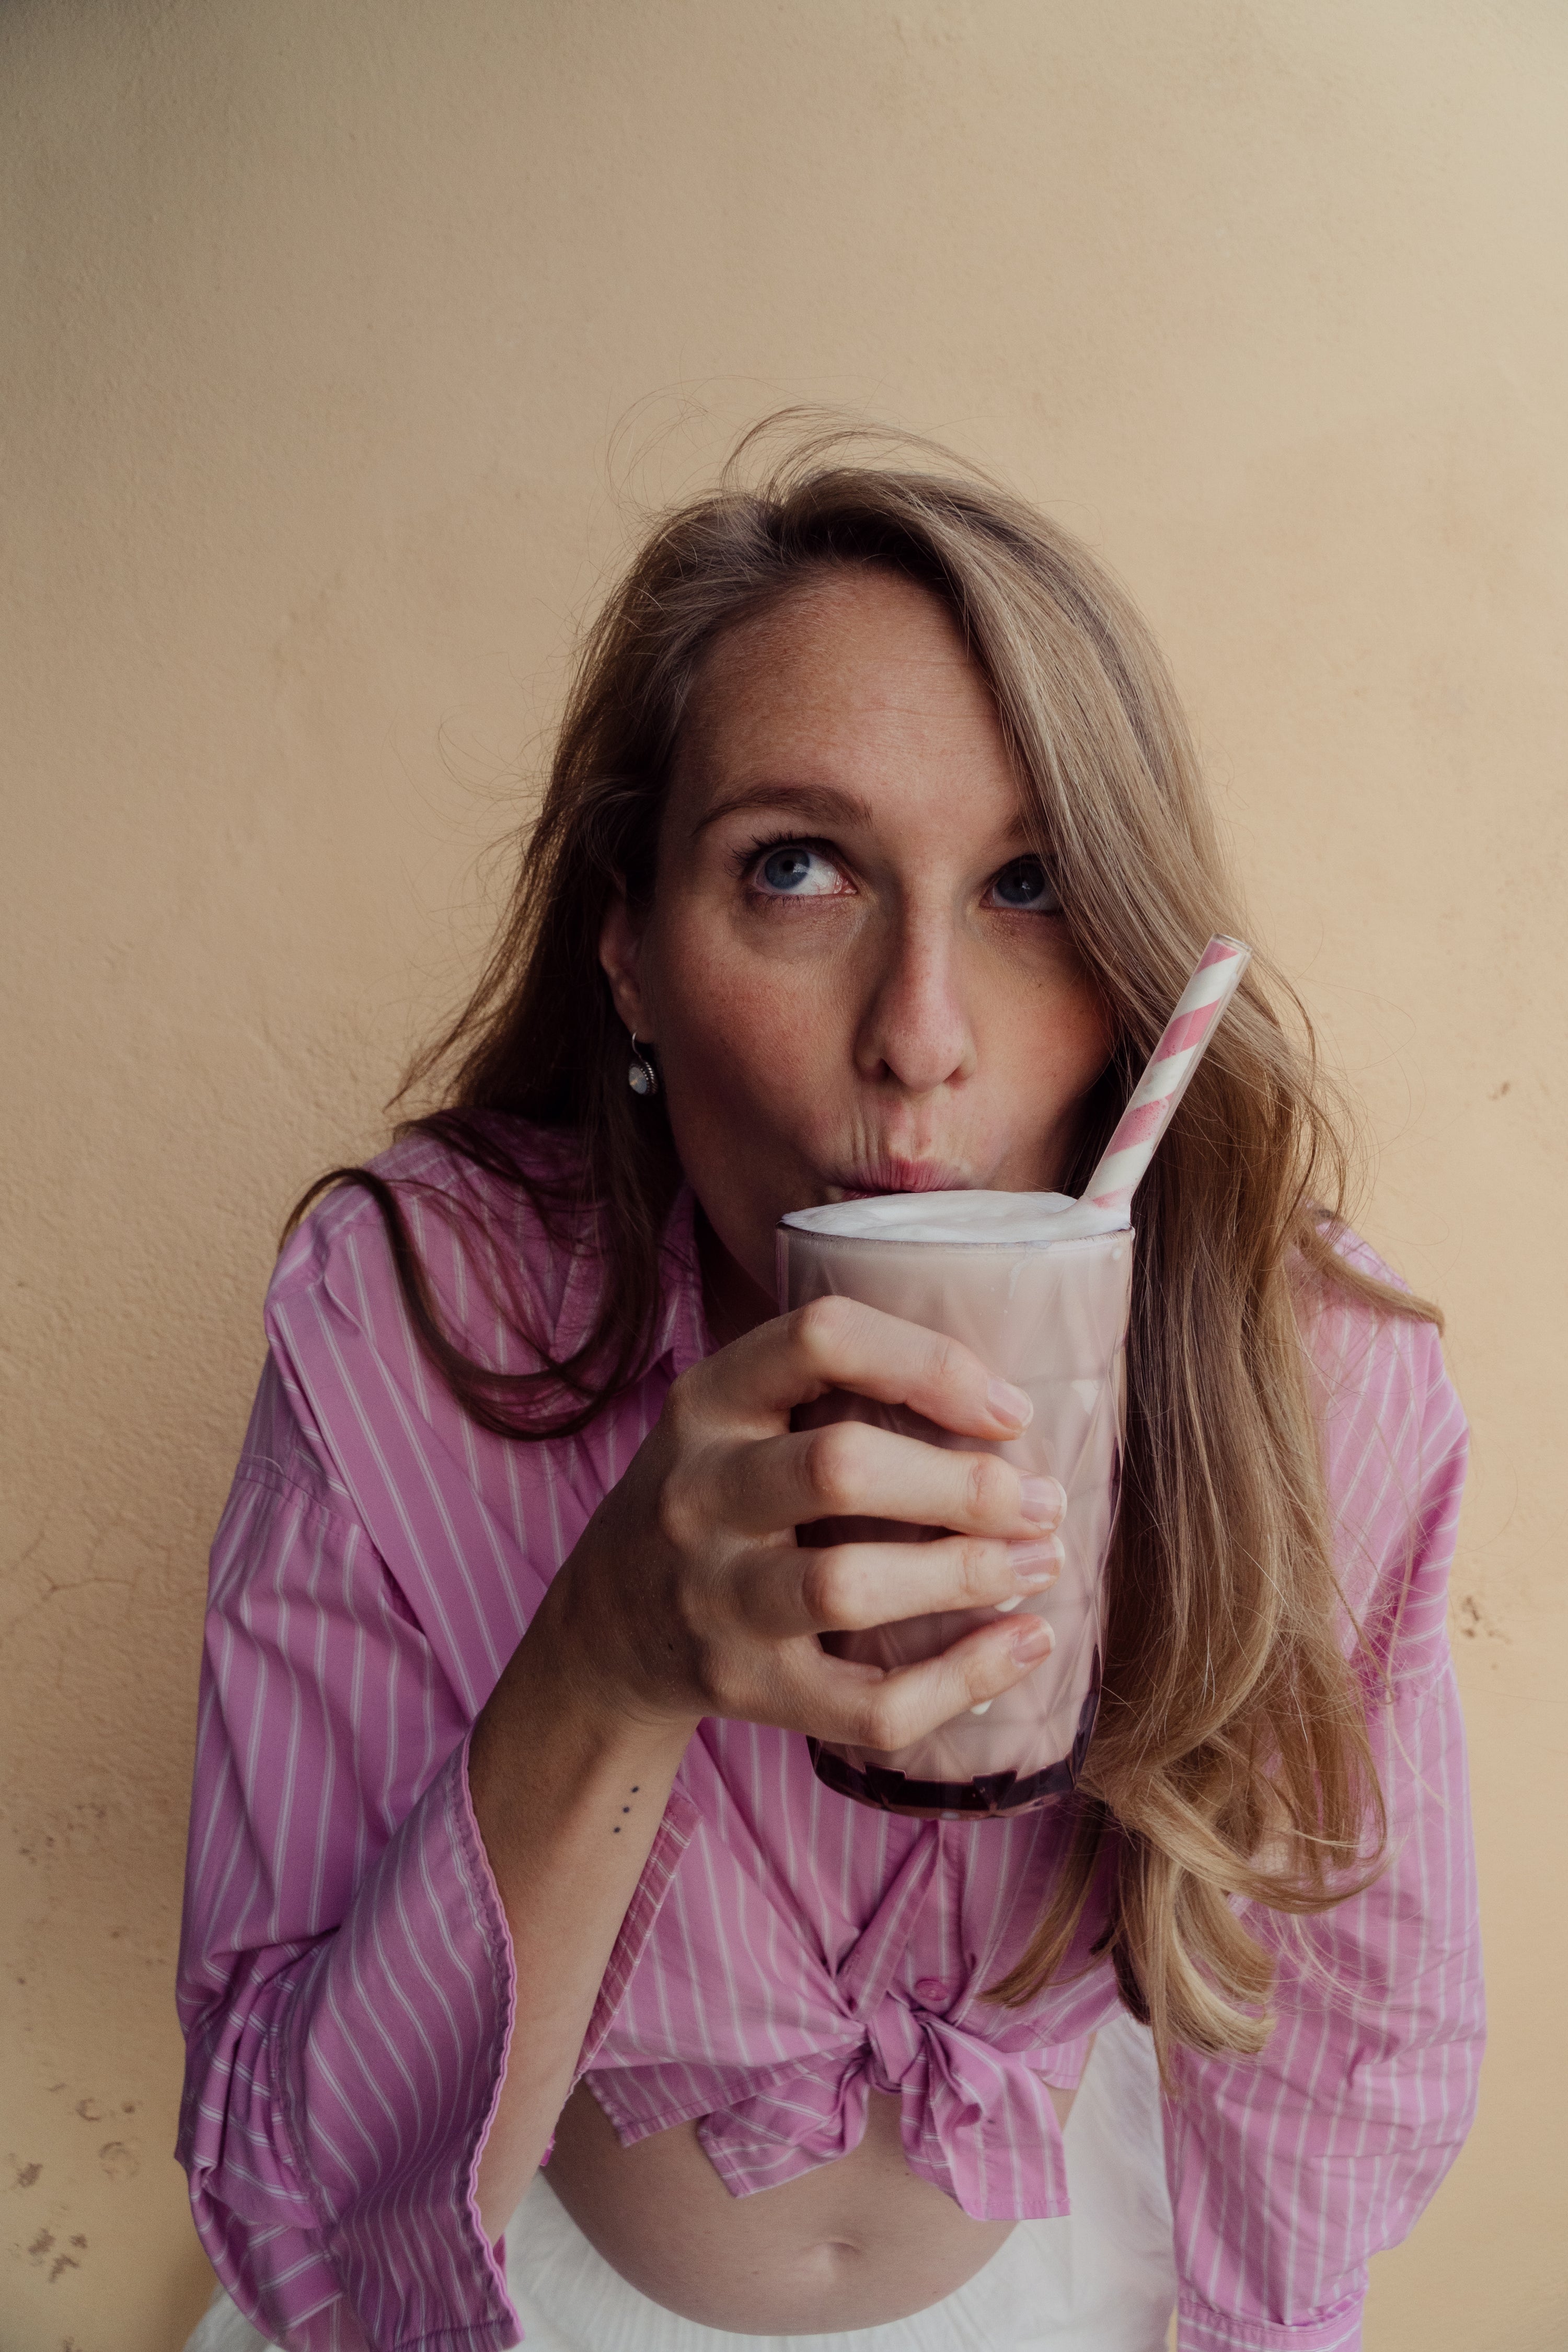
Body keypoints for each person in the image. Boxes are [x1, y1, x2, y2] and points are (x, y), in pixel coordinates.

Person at [176, 425, 1482, 2352]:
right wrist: (611, 1650)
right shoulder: (411, 1326)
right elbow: (298, 2221)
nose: (921, 1038)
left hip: (1086, 2278)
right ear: (629, 946)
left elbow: (1345, 2053)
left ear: (1131, 977)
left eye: (1031, 883)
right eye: (796, 868)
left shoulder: (1302, 1372)